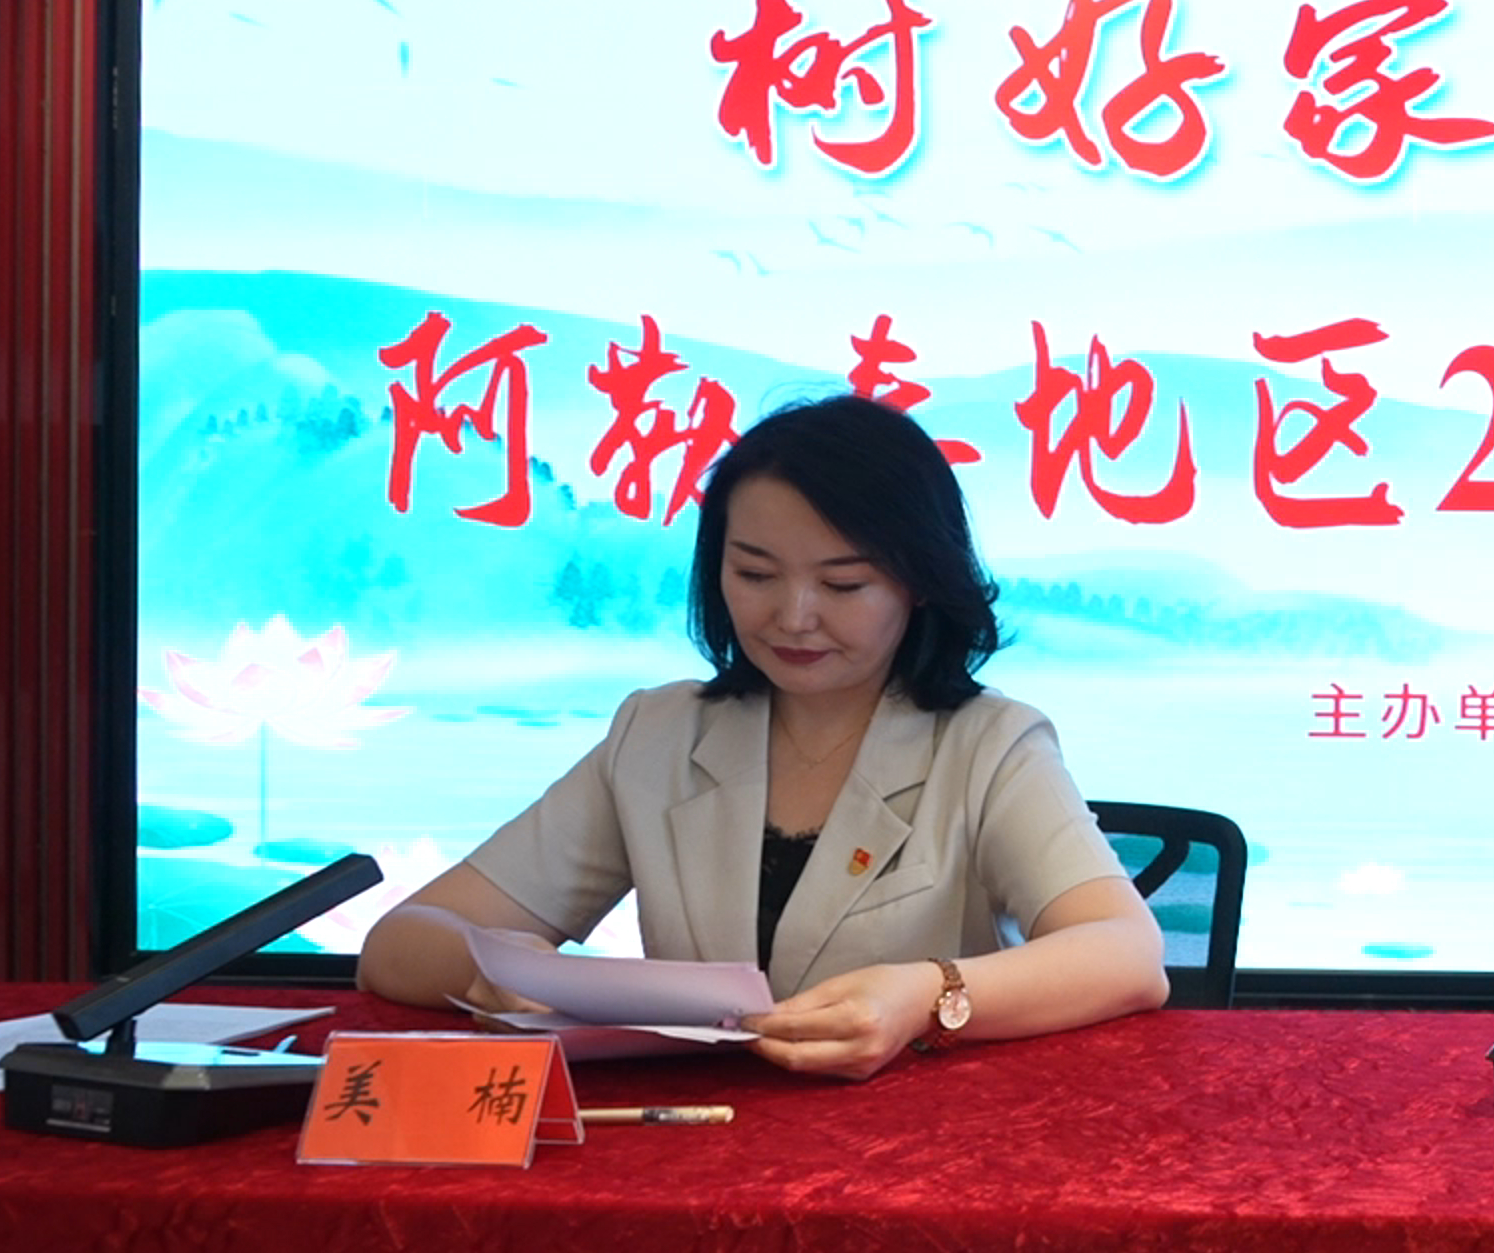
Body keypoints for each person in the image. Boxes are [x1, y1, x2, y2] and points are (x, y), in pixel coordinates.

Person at [359, 395, 1170, 1078]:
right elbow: (401, 942)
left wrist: (927, 995)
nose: (793, 617)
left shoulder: (989, 743)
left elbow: (1128, 954)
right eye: (754, 574)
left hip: (918, 1155)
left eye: (843, 584)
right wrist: (508, 976)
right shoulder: (658, 733)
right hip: (690, 1144)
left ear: (920, 582)